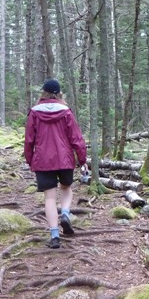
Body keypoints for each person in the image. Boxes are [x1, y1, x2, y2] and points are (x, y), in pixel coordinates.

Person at [24, 79, 88, 248]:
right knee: (66, 188)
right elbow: (76, 138)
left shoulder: (34, 112)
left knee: (49, 197)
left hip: (43, 161)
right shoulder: (66, 112)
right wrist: (82, 160)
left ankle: (54, 236)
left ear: (43, 92)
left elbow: (29, 140)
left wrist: (30, 160)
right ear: (59, 93)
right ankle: (65, 213)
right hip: (65, 159)